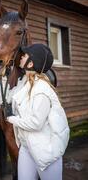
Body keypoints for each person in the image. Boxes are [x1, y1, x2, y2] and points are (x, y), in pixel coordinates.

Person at [7, 43, 70, 180]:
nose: (22, 56)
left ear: (31, 64)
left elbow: (36, 123)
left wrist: (11, 118)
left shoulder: (42, 89)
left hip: (46, 151)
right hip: (27, 148)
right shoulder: (28, 84)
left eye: (25, 55)